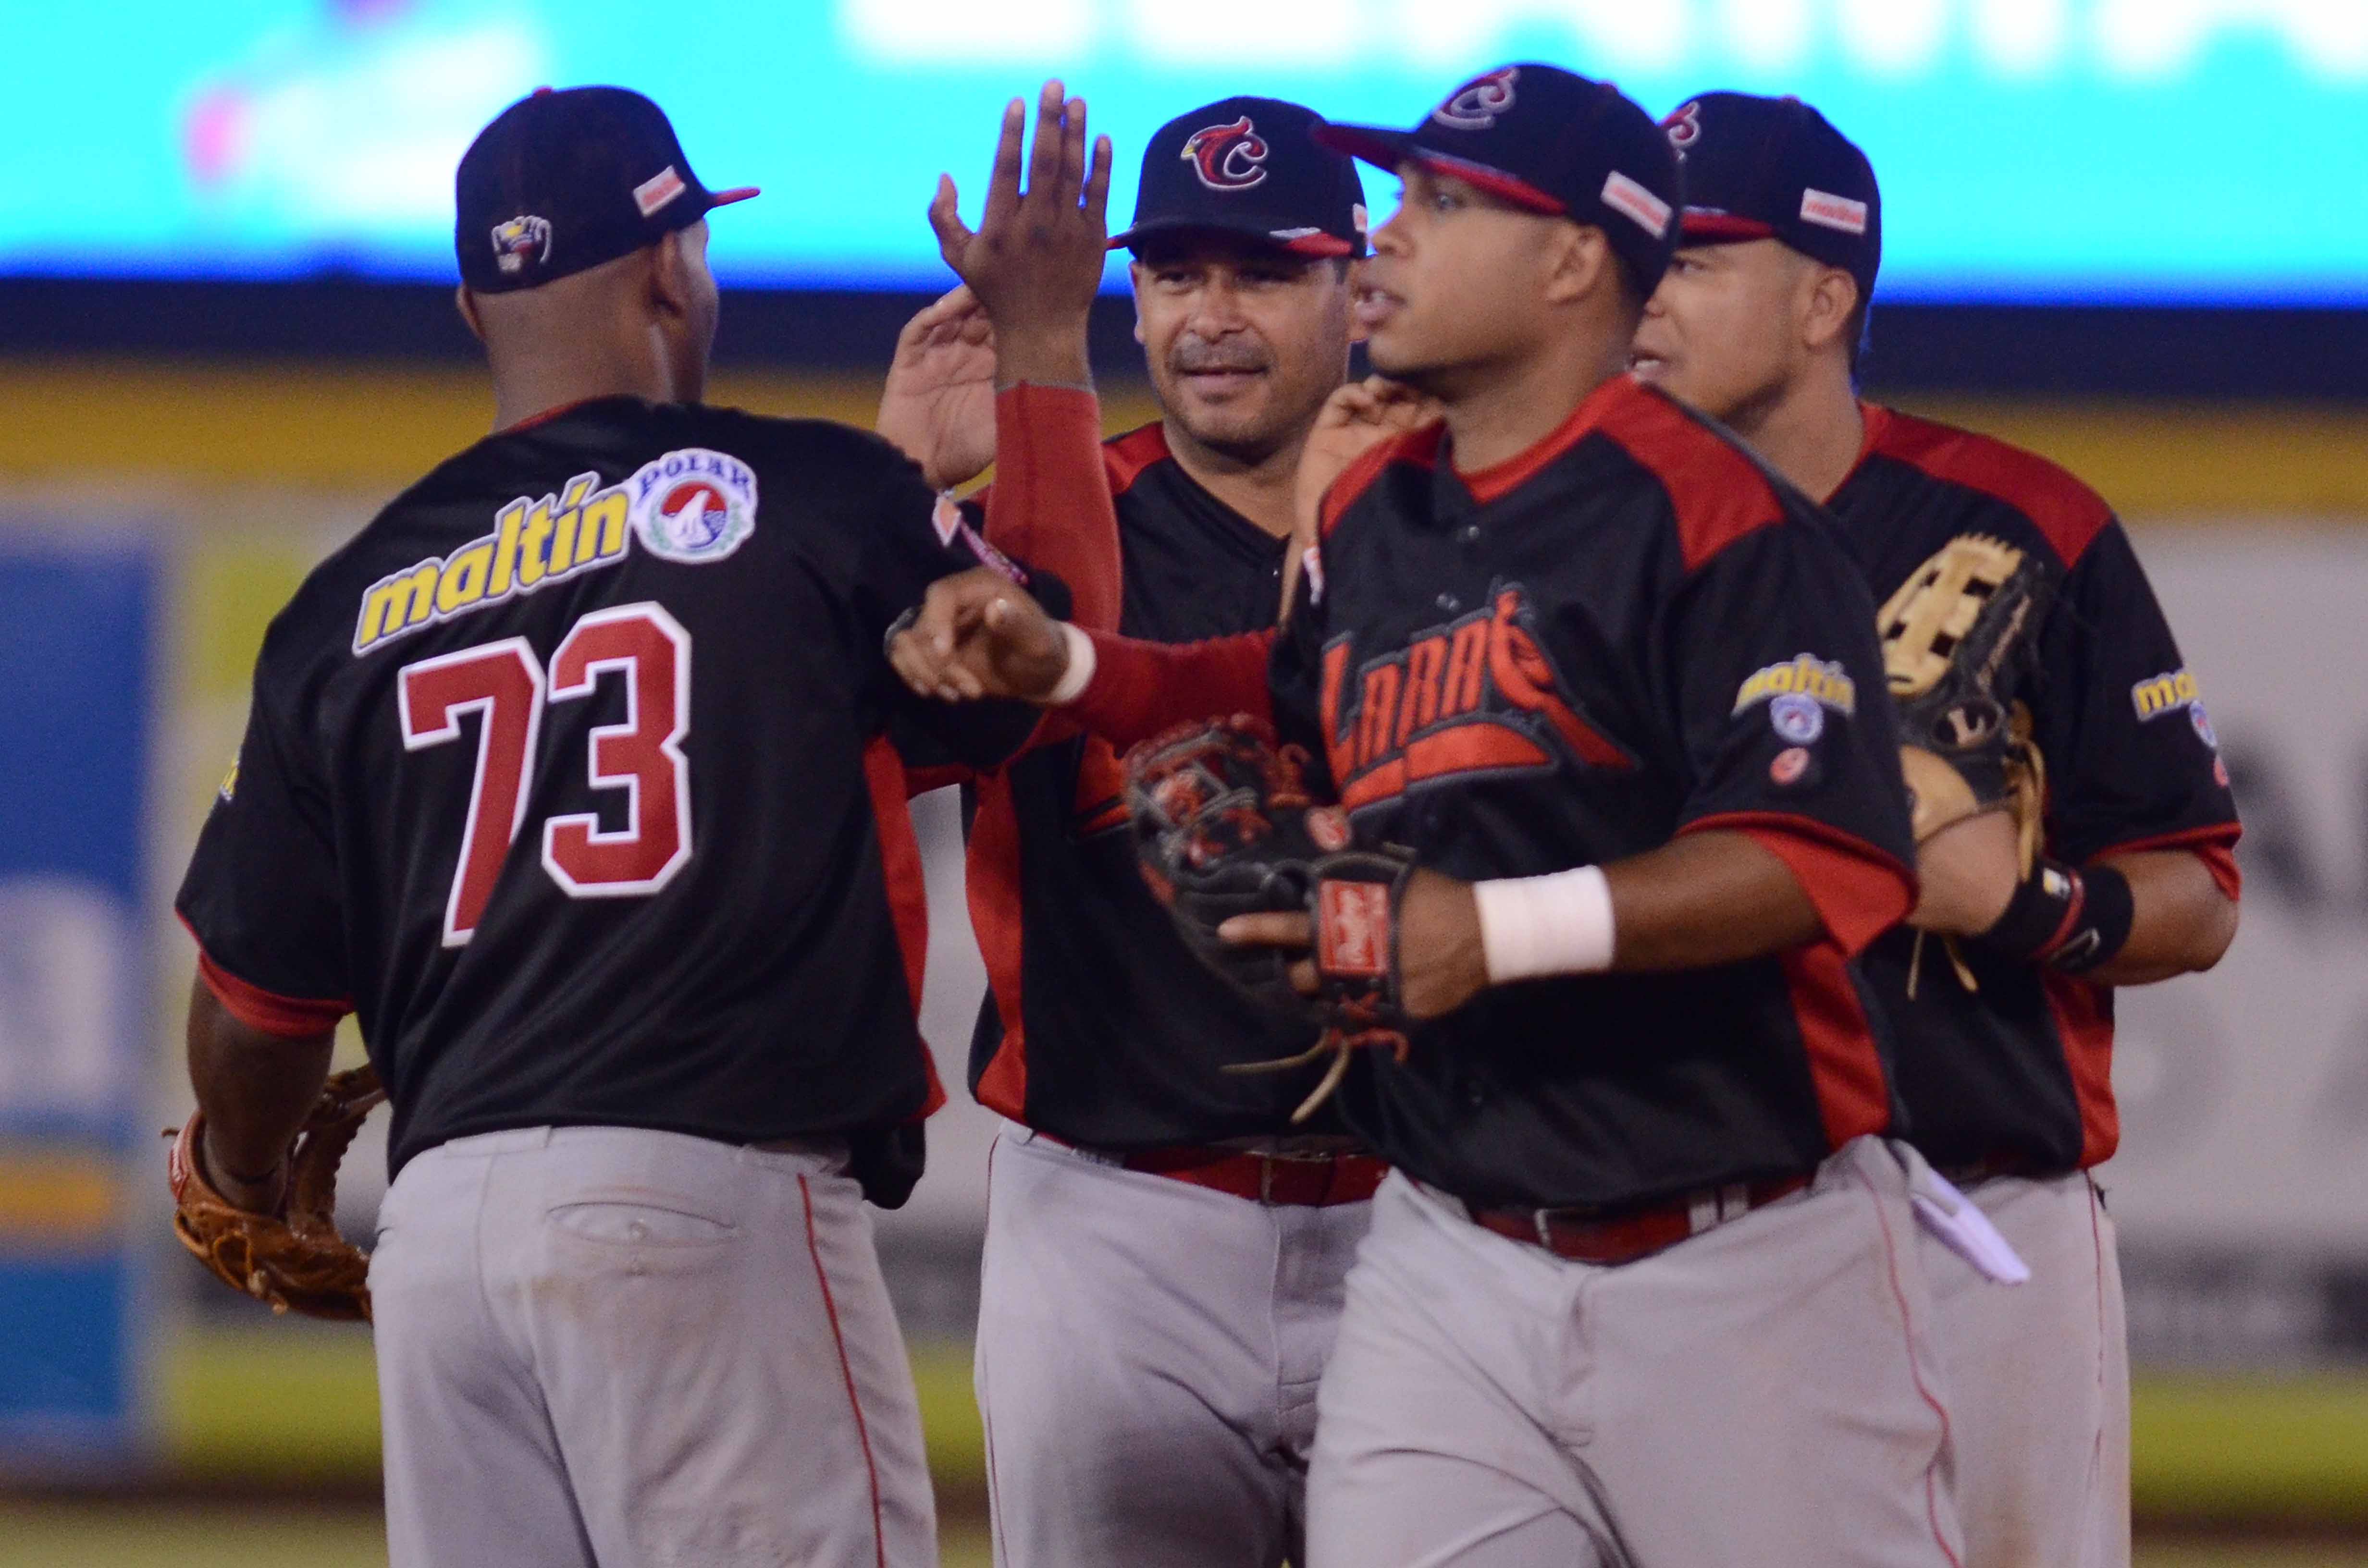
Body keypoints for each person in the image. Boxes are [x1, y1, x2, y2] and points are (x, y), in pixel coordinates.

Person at [892, 64, 1973, 1566]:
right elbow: (1272, 693)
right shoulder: (1396, 512)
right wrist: (1067, 661)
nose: (1395, 237)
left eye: (1440, 205)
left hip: (1737, 1248)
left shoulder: (1723, 519)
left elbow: (1834, 854)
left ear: (1572, 260)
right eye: (1400, 199)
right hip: (1448, 1241)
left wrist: (1494, 930)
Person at [170, 85, 1091, 1568]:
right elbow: (1056, 687)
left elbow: (259, 1014)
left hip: (445, 1245)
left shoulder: (344, 605)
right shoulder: (809, 492)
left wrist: (239, 1169)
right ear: (674, 267)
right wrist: (1011, 389)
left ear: (476, 306)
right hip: (702, 1200)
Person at [1630, 90, 2243, 1568]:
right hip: (1672, 1224)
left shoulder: (2024, 522)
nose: (1646, 297)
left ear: (1826, 294)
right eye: (1636, 253)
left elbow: (2198, 890)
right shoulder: (1570, 536)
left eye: (1697, 260)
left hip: (1978, 1217)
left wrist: (2034, 908)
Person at [875, 97, 1403, 1567]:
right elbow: (799, 746)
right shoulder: (1041, 520)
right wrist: (898, 489)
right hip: (1116, 1226)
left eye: (1263, 272)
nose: (1212, 317)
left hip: (1425, 1209)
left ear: (1358, 289)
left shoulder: (1455, 527)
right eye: (1174, 275)